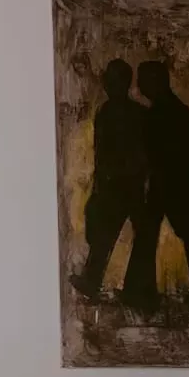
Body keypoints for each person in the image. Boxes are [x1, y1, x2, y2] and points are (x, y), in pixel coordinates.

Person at [123, 60, 189, 309]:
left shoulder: (156, 114)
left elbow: (149, 153)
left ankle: (139, 291)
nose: (139, 87)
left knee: (148, 235)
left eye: (143, 81)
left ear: (156, 82)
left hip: (164, 183)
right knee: (187, 236)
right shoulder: (179, 111)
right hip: (177, 182)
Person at [70, 59, 148, 301]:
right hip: (132, 183)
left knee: (106, 237)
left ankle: (94, 282)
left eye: (110, 80)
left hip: (116, 184)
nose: (106, 84)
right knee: (139, 236)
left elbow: (102, 155)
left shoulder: (107, 113)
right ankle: (135, 289)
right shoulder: (138, 113)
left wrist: (100, 185)